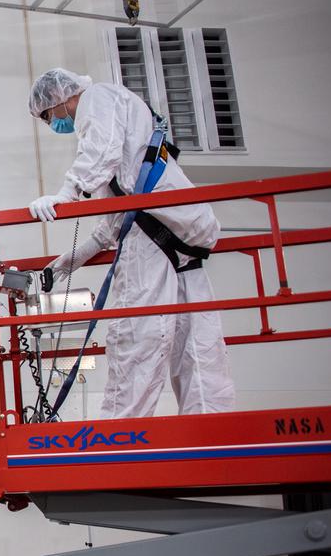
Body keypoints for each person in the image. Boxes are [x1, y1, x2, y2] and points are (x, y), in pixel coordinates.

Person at [26, 68, 236, 419]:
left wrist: (67, 191)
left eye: (48, 116)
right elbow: (111, 224)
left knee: (135, 337)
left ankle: (120, 439)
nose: (54, 124)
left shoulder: (99, 99)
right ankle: (210, 427)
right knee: (197, 343)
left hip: (153, 235)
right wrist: (68, 262)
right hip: (181, 230)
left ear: (60, 98)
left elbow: (100, 149)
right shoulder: (124, 125)